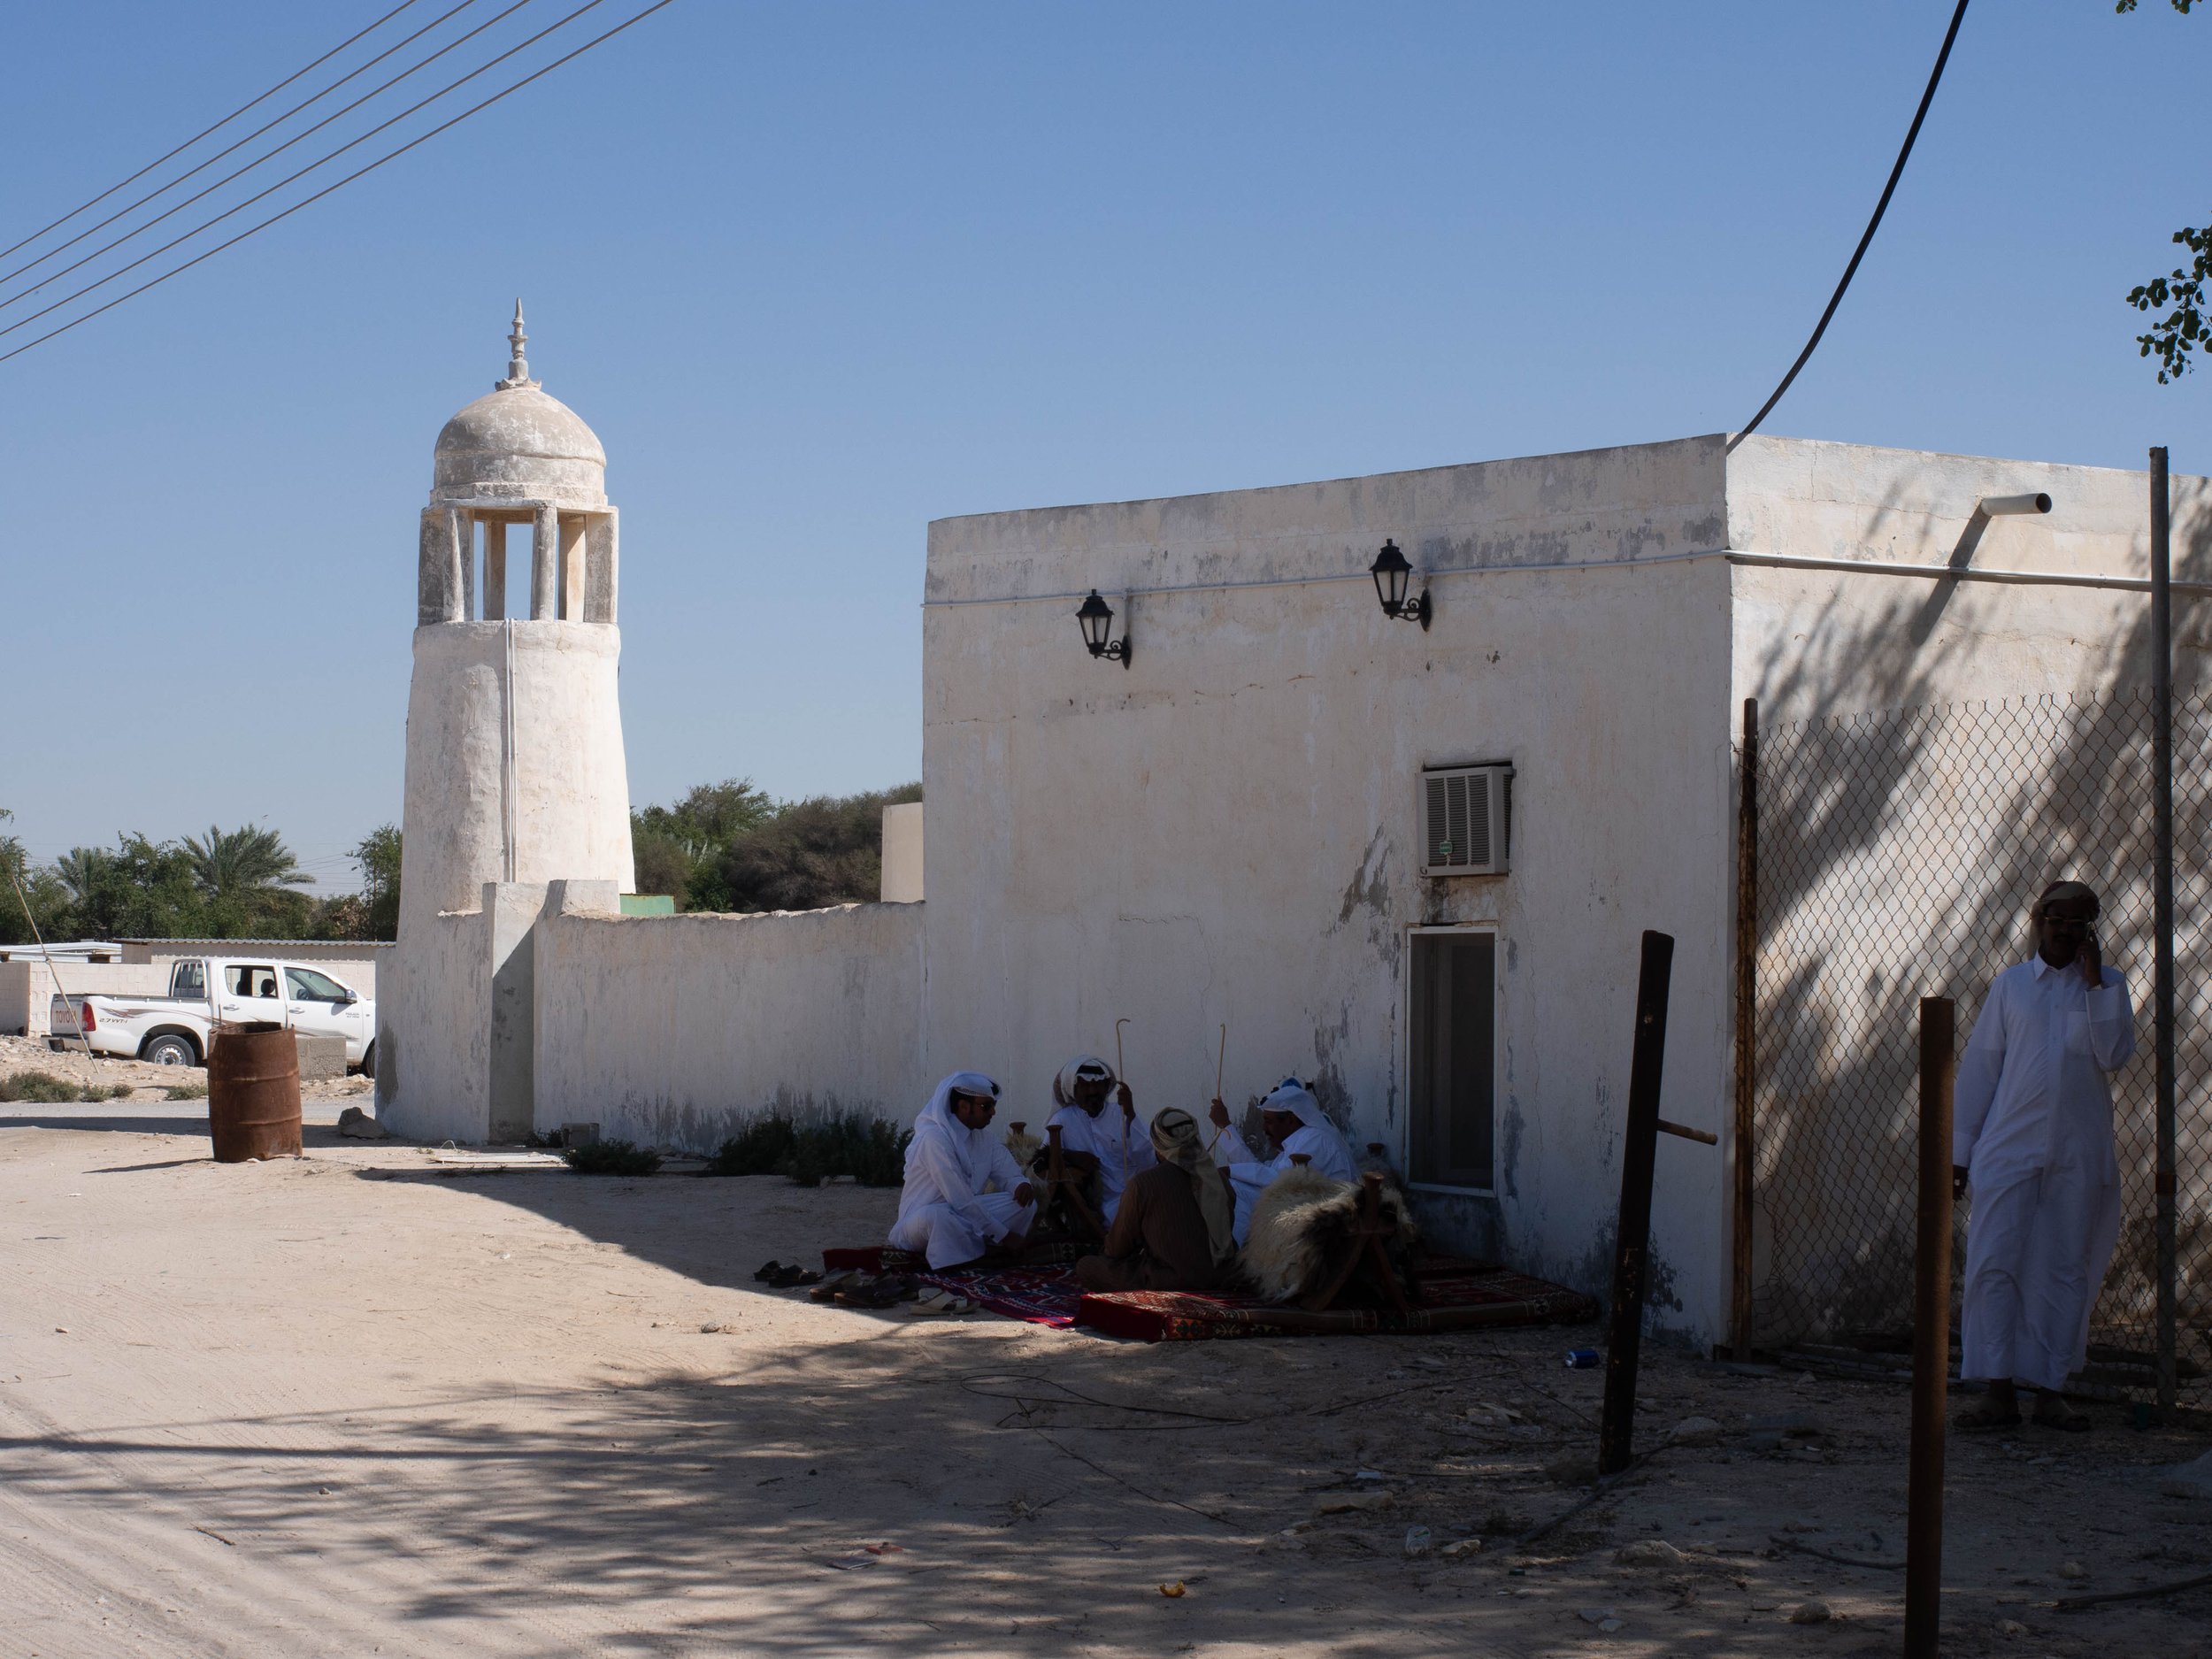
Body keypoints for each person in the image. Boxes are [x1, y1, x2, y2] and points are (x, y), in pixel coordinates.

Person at [1952, 880, 2137, 1432]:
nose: (2065, 928)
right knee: (1994, 1262)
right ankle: (1997, 1389)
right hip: (2009, 1148)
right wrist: (1960, 1154)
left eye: (2078, 920)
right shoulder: (2011, 987)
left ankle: (2051, 1392)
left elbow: (2114, 1055)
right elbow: (1980, 1070)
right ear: (2039, 921)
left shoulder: (2108, 986)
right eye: (2056, 918)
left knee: (2063, 1269)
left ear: (2091, 927)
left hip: (2078, 1153)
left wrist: (2096, 981)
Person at [1075, 1106, 1240, 1293]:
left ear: (1159, 1145)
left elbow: (1116, 1248)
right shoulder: (1218, 1180)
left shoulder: (1143, 1184)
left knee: (1087, 1266)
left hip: (1171, 1280)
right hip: (1222, 1275)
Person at [889, 1071, 1038, 1270]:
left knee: (1025, 1204)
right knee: (939, 1217)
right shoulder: (934, 1139)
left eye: (994, 1105)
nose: (993, 1112)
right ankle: (974, 1253)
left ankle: (974, 1248)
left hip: (966, 1215)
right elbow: (959, 1198)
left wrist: (1021, 1185)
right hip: (924, 1221)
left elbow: (1009, 1173)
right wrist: (1005, 1235)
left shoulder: (986, 1139)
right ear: (963, 1107)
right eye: (986, 1106)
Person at [1205, 1076, 1360, 1245]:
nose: (1264, 1129)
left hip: (1328, 1212)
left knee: (1234, 1191)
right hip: (1302, 1199)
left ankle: (1239, 1252)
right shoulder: (1299, 1140)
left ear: (1291, 1120)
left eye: (1269, 1122)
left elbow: (1278, 1181)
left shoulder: (1315, 1139)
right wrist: (1226, 1126)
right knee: (1231, 1187)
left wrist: (1231, 1171)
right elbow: (1261, 1172)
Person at [1044, 1054, 1156, 1224]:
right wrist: (1070, 1156)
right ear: (1073, 1089)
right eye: (1085, 1085)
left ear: (1107, 1087)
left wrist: (1131, 1113)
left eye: (1098, 1085)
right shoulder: (1062, 1121)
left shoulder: (1122, 1113)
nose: (1093, 1091)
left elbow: (1148, 1161)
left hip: (1134, 1193)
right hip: (1093, 1206)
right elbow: (1043, 1161)